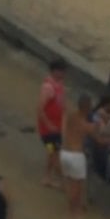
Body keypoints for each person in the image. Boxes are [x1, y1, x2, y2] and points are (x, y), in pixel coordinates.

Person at [61, 94, 107, 217]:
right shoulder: (88, 125)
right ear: (88, 108)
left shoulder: (71, 116)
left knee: (71, 183)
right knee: (78, 185)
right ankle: (74, 210)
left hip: (64, 152)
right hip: (76, 155)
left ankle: (75, 205)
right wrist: (99, 125)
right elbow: (98, 140)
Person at [37, 59, 66, 188]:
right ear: (55, 71)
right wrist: (48, 125)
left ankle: (47, 176)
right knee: (54, 154)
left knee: (52, 153)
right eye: (61, 71)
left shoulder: (59, 84)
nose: (63, 74)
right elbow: (39, 109)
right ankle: (61, 179)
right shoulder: (48, 87)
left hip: (56, 128)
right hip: (48, 131)